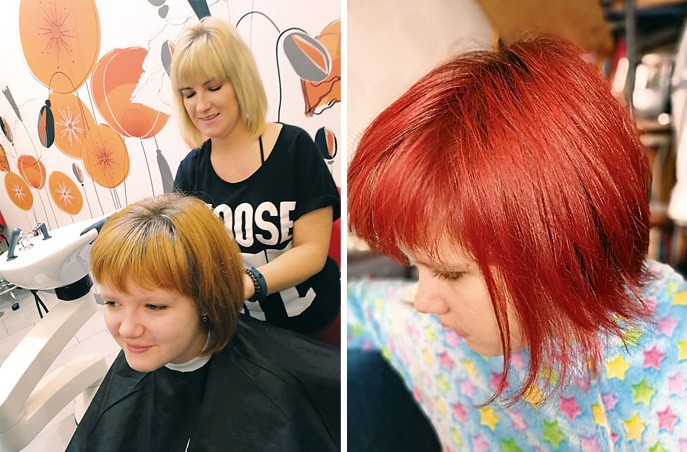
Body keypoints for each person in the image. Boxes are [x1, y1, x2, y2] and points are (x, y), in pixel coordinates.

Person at [347, 35, 687, 449]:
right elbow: (360, 306)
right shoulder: (434, 337)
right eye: (416, 265)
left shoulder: (671, 393)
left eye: (450, 273)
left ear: (558, 250)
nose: (424, 302)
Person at [67, 193, 340, 451]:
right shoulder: (144, 349)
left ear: (208, 299)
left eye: (154, 306)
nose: (127, 329)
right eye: (112, 303)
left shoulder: (277, 387)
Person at [170, 16, 341, 347]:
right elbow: (186, 258)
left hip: (316, 330)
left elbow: (311, 251)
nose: (201, 105)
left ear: (241, 82)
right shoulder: (190, 172)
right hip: (247, 336)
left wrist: (247, 284)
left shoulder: (294, 148)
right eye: (189, 93)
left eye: (214, 87)